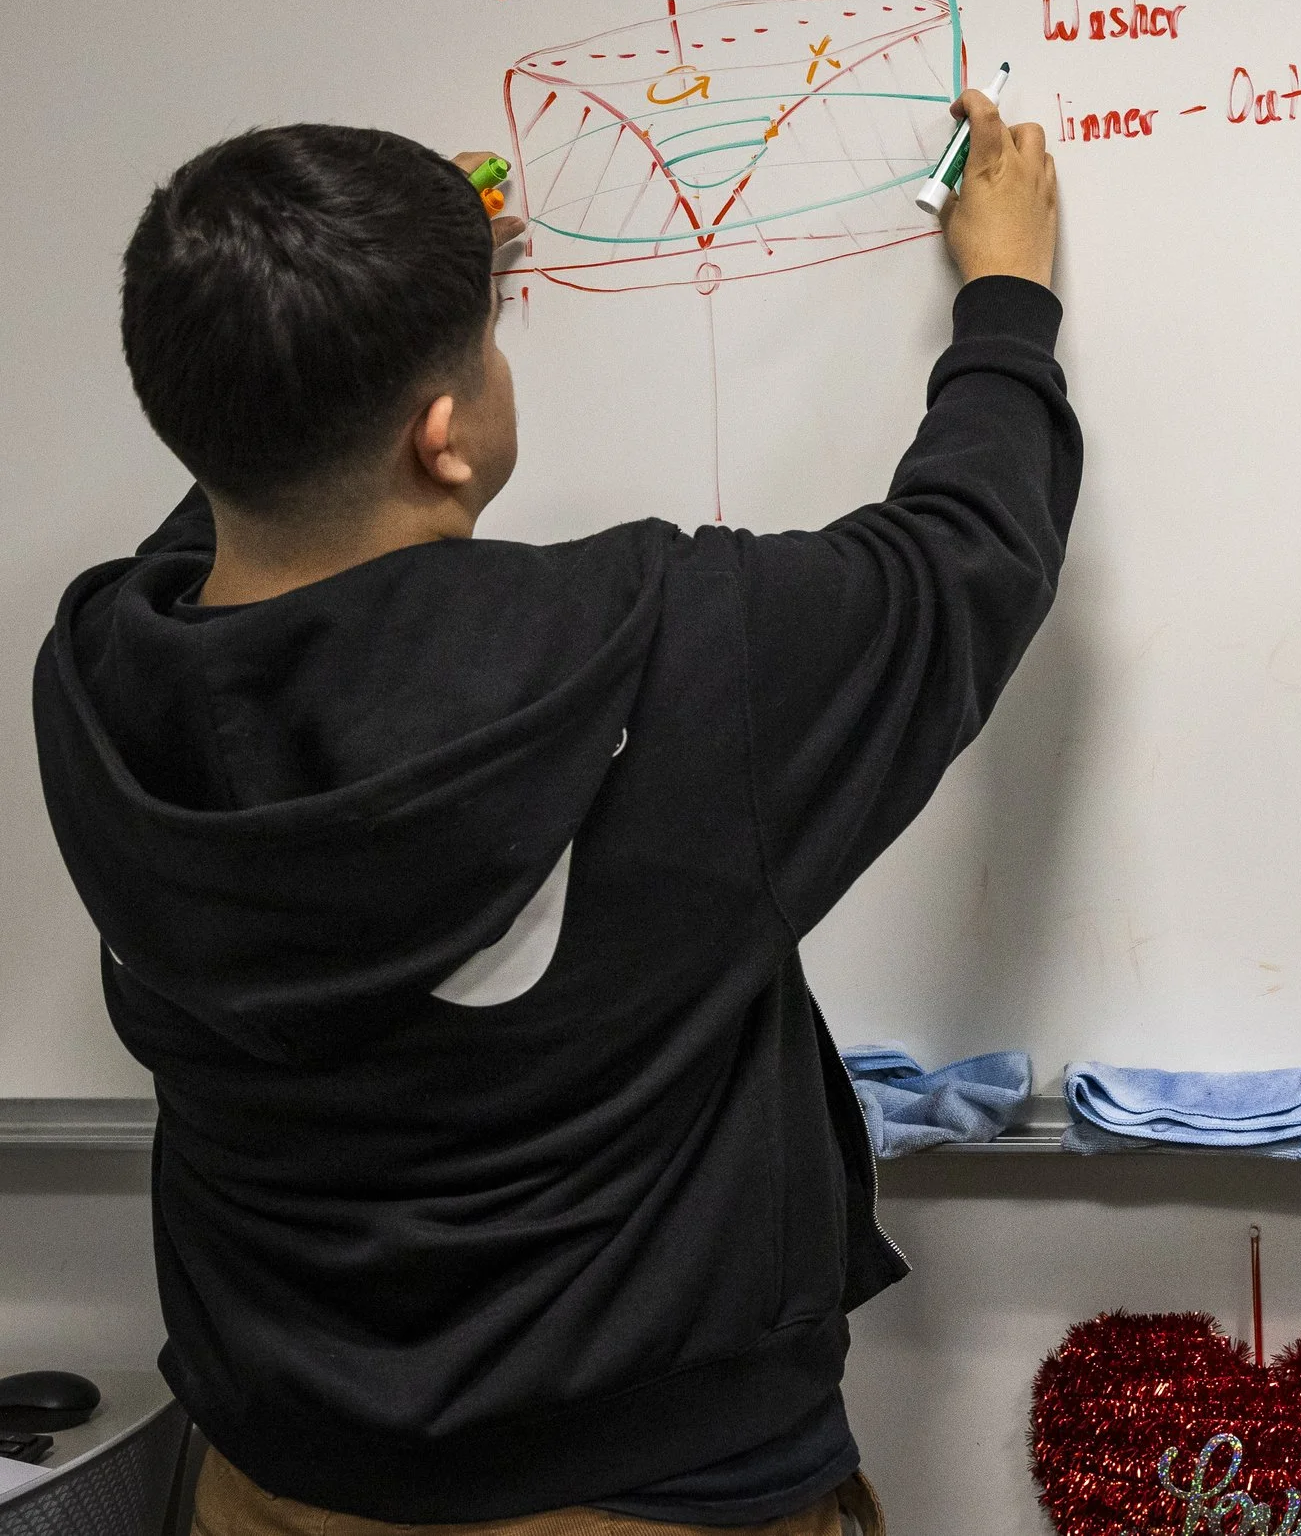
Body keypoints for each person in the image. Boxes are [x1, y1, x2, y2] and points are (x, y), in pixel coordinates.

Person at [33, 90, 1068, 1531]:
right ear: (445, 434)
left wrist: (338, 328)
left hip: (271, 1489)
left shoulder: (97, 678)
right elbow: (969, 555)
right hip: (655, 1500)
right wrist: (1009, 295)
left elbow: (247, 500)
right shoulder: (675, 649)